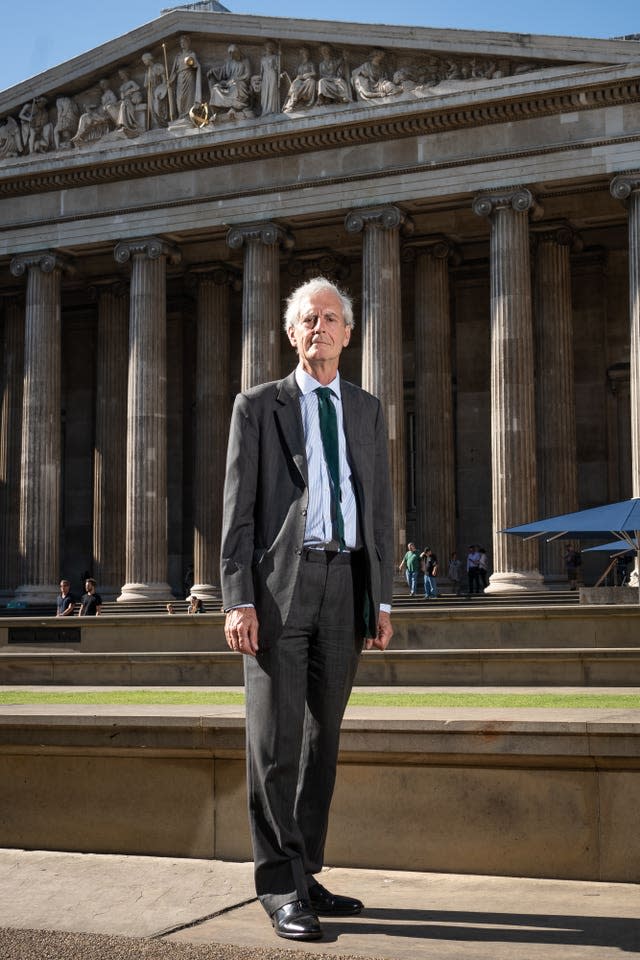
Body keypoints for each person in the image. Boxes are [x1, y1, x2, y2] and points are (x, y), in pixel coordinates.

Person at [220, 275, 393, 943]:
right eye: (306, 320)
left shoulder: (369, 409)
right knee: (275, 746)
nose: (318, 328)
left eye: (330, 318)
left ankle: (306, 870)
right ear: (291, 334)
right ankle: (279, 888)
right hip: (278, 592)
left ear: (348, 333)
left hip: (345, 584)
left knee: (323, 743)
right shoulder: (257, 406)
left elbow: (376, 508)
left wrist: (380, 598)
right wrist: (237, 600)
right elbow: (237, 516)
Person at [207, 44, 253, 118]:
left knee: (236, 86)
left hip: (240, 82)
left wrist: (238, 79)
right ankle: (217, 111)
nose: (234, 56)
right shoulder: (230, 62)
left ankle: (236, 107)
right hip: (229, 83)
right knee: (215, 88)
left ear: (238, 52)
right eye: (232, 54)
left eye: (235, 53)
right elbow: (223, 71)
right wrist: (213, 71)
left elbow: (248, 74)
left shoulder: (245, 61)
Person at [170, 35, 202, 118]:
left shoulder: (191, 54)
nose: (182, 44)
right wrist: (170, 80)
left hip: (189, 76)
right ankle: (181, 114)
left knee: (189, 97)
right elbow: (174, 71)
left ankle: (188, 115)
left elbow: (196, 66)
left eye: (184, 42)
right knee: (180, 98)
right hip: (180, 77)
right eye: (181, 43)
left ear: (188, 43)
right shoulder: (178, 56)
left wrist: (192, 62)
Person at [282, 47, 317, 112]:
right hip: (300, 81)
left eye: (305, 53)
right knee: (296, 82)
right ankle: (292, 102)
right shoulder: (300, 65)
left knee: (311, 81)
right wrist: (286, 73)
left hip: (307, 81)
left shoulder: (310, 63)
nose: (304, 54)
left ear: (308, 54)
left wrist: (308, 74)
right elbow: (294, 75)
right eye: (302, 53)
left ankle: (305, 100)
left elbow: (314, 73)